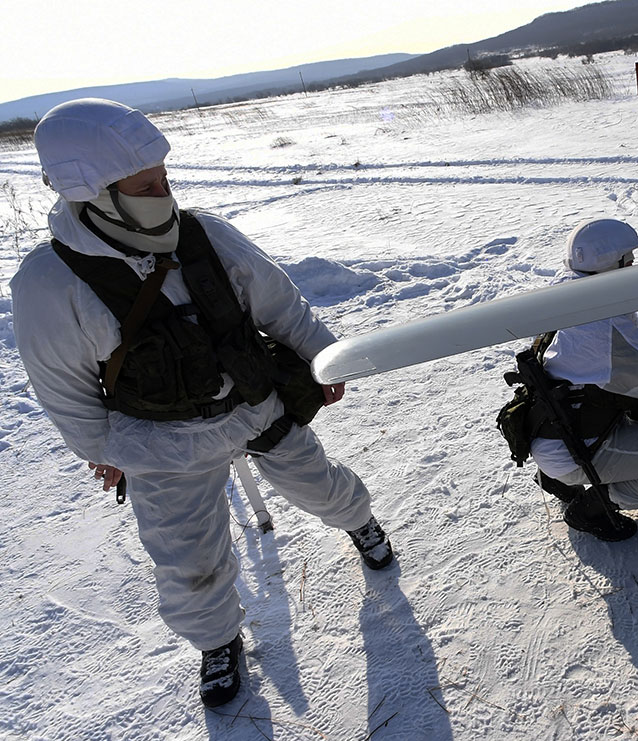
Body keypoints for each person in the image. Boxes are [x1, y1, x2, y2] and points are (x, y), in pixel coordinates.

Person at [10, 98, 394, 709]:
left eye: (165, 178)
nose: (164, 193)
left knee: (318, 483)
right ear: (95, 194)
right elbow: (63, 390)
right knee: (188, 559)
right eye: (146, 185)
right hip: (160, 444)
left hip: (254, 406)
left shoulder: (205, 234)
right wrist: (103, 452)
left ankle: (360, 523)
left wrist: (324, 357)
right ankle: (218, 640)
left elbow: (279, 304)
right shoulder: (49, 284)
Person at [526, 218, 638, 541]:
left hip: (554, 435)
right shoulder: (599, 324)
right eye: (630, 261)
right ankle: (596, 505)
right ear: (615, 264)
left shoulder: (571, 297)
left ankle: (559, 479)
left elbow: (630, 337)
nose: (634, 267)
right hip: (575, 448)